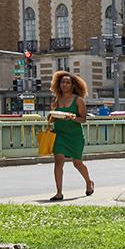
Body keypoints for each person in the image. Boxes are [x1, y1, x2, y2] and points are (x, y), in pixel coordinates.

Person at [45, 70, 94, 200]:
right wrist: (52, 113)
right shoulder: (56, 100)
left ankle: (89, 182)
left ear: (73, 85)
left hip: (74, 136)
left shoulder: (78, 100)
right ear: (59, 84)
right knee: (58, 161)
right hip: (59, 134)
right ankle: (59, 192)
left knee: (77, 163)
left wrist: (72, 118)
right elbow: (51, 119)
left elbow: (83, 119)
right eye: (62, 82)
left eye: (67, 82)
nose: (64, 84)